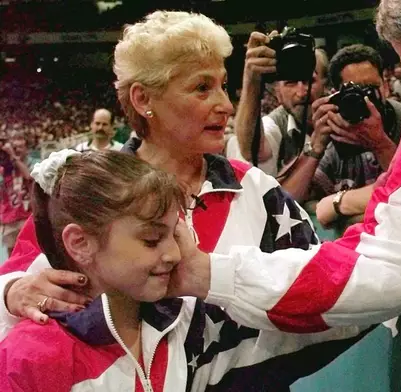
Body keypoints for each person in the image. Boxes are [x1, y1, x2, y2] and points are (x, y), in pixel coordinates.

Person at [0, 11, 367, 391]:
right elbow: (16, 280)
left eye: (224, 85)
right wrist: (13, 292)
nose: (225, 104)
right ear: (143, 98)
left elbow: (325, 292)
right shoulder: (90, 191)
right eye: (202, 88)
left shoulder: (257, 189)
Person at [286, 44, 401, 227]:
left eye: (370, 88)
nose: (366, 100)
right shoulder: (337, 132)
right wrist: (316, 147)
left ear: (385, 86)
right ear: (336, 95)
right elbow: (289, 204)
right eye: (355, 92)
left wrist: (380, 143)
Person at [228, 32, 328, 178]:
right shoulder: (276, 123)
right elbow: (251, 150)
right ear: (277, 93)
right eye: (291, 83)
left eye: (309, 81)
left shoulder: (341, 114)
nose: (301, 92)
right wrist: (252, 78)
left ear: (326, 84)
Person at [0, 133, 38, 256]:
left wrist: (12, 156)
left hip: (28, 217)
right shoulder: (5, 168)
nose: (16, 151)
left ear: (27, 148)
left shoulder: (34, 163)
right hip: (9, 219)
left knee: (33, 254)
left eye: (19, 148)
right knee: (13, 258)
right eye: (14, 148)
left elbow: (29, 177)